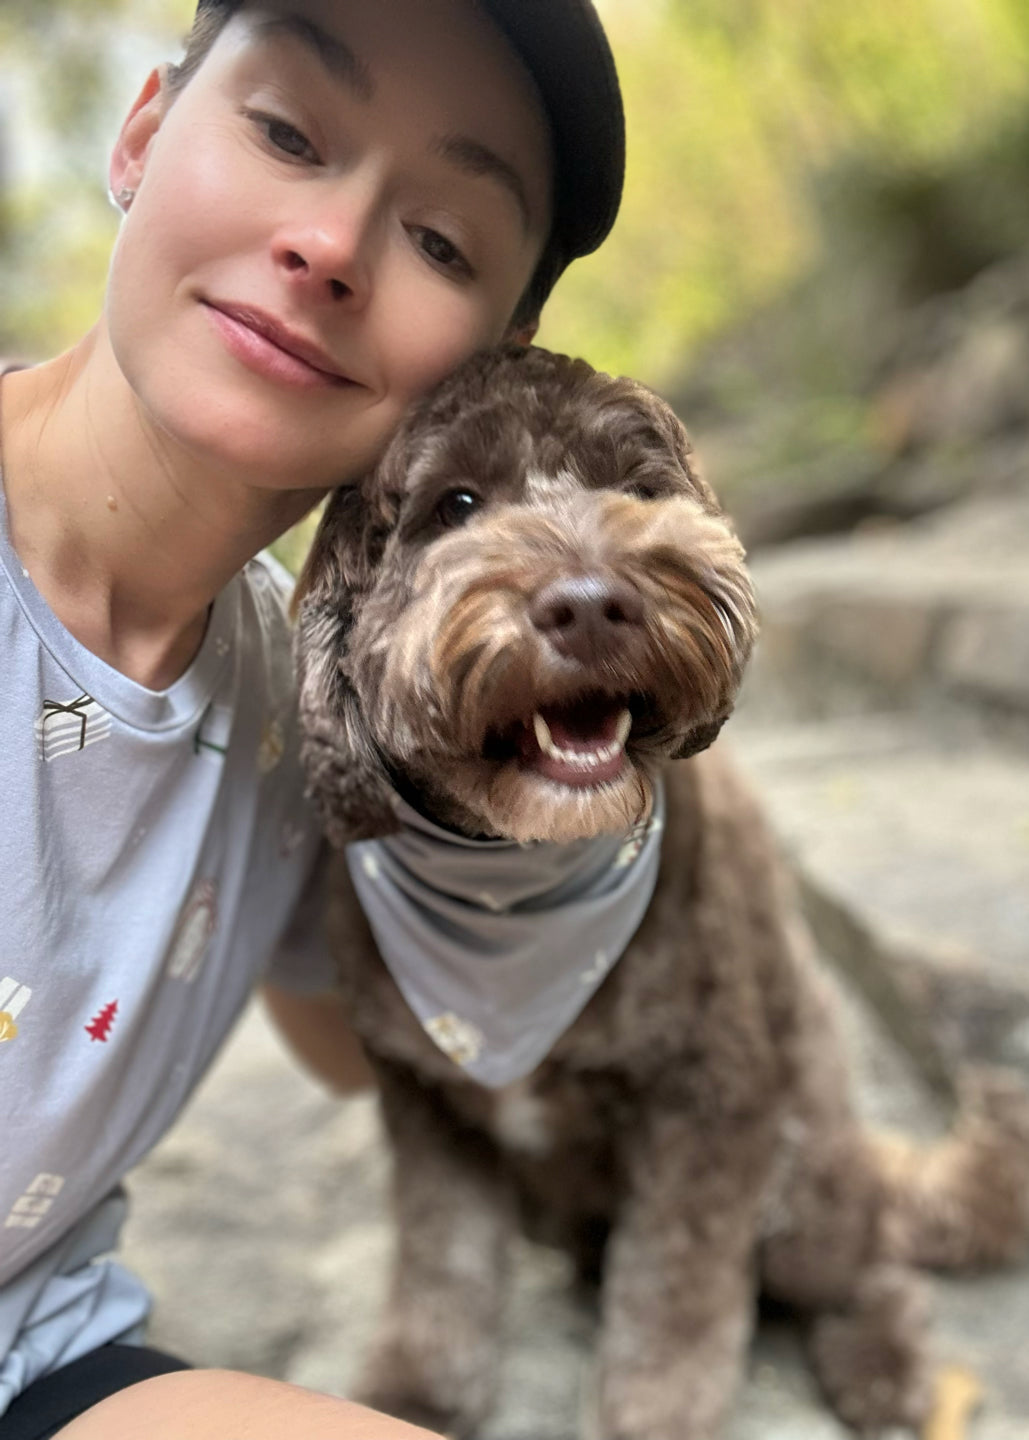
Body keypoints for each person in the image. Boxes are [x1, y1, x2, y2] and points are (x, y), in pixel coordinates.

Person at [0, 1, 625, 1436]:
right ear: (145, 131)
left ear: (498, 354)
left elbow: (351, 1044)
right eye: (286, 133)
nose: (331, 247)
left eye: (443, 241)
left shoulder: (304, 699)